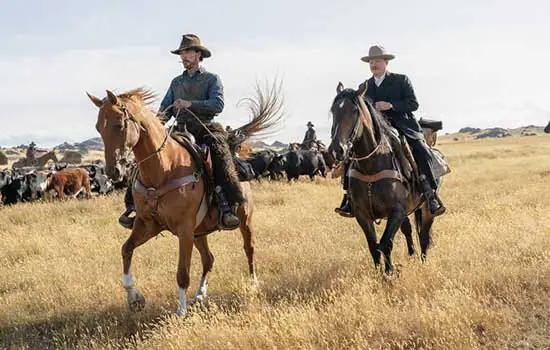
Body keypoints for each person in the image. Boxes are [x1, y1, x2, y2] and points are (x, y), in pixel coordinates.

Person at [118, 34, 243, 229]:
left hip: (205, 127)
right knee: (146, 156)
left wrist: (189, 104)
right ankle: (134, 206)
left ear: (198, 54)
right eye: (182, 53)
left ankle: (227, 206)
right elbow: (165, 108)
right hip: (179, 129)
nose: (184, 56)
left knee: (220, 155)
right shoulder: (176, 82)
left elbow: (217, 105)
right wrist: (155, 123)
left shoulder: (212, 79)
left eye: (188, 52)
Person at [334, 45, 446, 218]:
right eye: (371, 61)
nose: (374, 64)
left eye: (377, 60)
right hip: (377, 131)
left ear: (386, 62)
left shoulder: (401, 80)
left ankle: (430, 194)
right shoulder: (364, 87)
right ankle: (348, 198)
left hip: (403, 126)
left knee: (421, 151)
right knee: (351, 156)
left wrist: (391, 105)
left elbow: (413, 104)